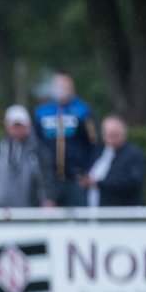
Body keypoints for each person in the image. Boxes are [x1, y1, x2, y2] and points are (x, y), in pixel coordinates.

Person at [33, 72, 97, 207]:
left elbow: (93, 143)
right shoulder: (42, 112)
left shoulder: (82, 110)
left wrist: (88, 170)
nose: (62, 90)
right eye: (58, 86)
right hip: (50, 179)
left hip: (76, 178)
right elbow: (36, 143)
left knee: (79, 219)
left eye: (65, 86)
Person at [0, 105, 50, 208]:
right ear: (7, 126)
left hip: (30, 211)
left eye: (20, 125)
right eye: (14, 125)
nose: (17, 129)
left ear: (28, 126)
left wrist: (48, 199)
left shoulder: (38, 151)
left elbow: (46, 178)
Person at [79, 115, 146, 207]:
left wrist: (100, 184)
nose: (110, 138)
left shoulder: (133, 153)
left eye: (114, 134)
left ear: (123, 133)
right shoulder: (99, 152)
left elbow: (134, 182)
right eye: (107, 134)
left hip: (122, 210)